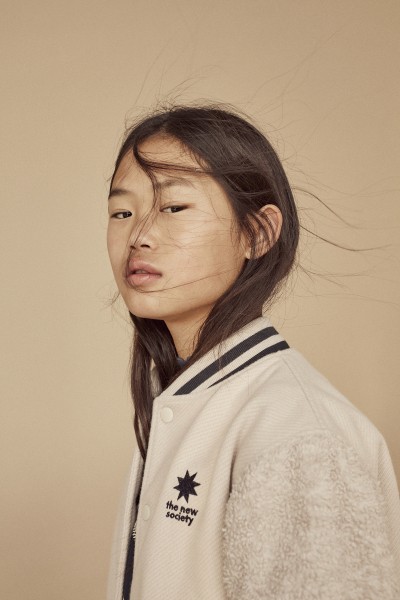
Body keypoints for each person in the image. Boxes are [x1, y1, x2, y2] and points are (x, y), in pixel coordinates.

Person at [105, 104, 400, 600]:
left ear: (257, 233)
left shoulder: (300, 437)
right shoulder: (175, 399)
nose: (139, 235)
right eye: (122, 212)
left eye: (173, 207)